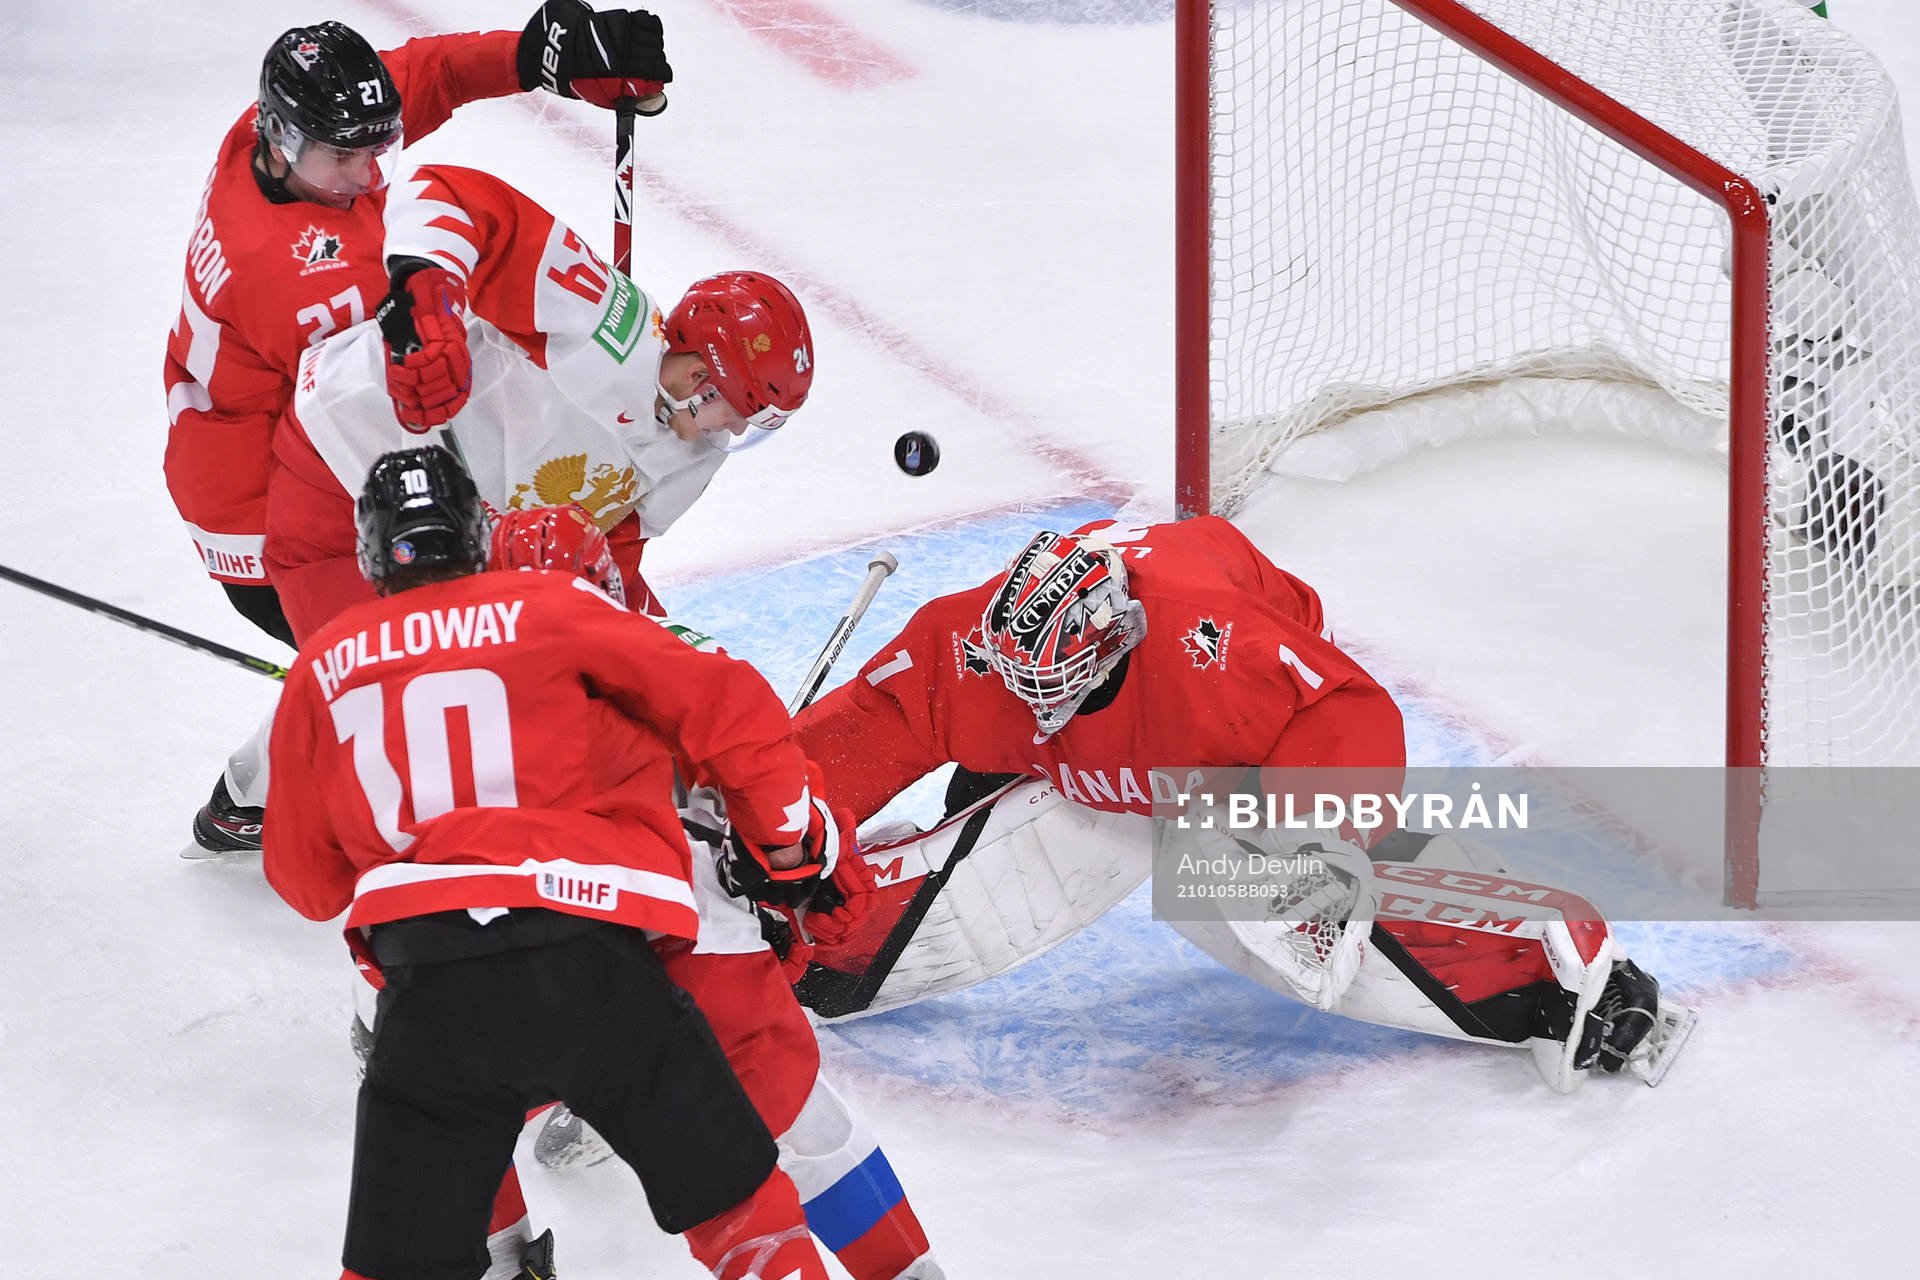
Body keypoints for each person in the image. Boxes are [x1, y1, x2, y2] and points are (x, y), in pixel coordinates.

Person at [790, 517, 1691, 1091]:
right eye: (1019, 685)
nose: (1033, 706)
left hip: (1232, 763)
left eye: (1055, 686)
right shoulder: (974, 652)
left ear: (1117, 645)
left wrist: (1324, 855)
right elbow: (864, 728)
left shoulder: (1219, 656)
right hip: (1089, 780)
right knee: (846, 953)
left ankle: (1575, 986)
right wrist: (759, 833)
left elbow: (1348, 714)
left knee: (1270, 913)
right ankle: (775, 942)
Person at [263, 447, 834, 1280]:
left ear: (371, 550)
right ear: (474, 532)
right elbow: (730, 706)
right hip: (593, 967)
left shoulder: (325, 663)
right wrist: (786, 838)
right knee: (742, 1216)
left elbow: (305, 883)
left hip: (433, 1000)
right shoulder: (552, 606)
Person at [175, 2, 673, 854]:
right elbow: (391, 415)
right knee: (423, 655)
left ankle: (244, 800)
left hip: (284, 444)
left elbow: (430, 74)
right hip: (264, 497)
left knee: (405, 647)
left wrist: (537, 56)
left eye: (379, 148)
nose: (369, 176)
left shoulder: (284, 136)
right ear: (282, 137)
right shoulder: (285, 275)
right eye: (345, 157)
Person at [489, 506, 947, 1280]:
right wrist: (805, 867)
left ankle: (504, 1258)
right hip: (689, 949)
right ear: (607, 585)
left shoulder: (415, 683)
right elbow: (790, 817)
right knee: (794, 1143)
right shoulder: (679, 657)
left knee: (431, 1095)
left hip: (499, 964)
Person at [265, 161, 814, 643]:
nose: (736, 433)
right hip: (339, 459)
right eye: (738, 415)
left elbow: (606, 555)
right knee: (384, 705)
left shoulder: (695, 454)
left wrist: (665, 648)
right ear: (700, 379)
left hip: (442, 542)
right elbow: (448, 193)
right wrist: (427, 301)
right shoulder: (596, 319)